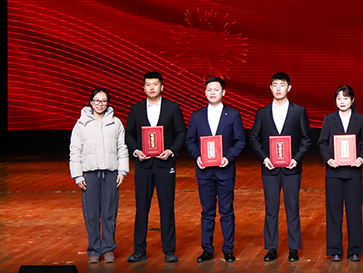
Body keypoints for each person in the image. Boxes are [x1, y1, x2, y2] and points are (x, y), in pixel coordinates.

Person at [125, 71, 187, 263]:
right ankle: (139, 250)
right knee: (141, 208)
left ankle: (169, 250)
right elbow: (129, 134)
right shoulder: (136, 109)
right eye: (148, 84)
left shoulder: (173, 107)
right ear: (143, 88)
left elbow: (181, 133)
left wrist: (171, 151)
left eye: (155, 84)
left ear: (162, 86)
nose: (151, 87)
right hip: (143, 165)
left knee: (166, 207)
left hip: (164, 164)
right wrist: (136, 151)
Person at [249, 72, 312, 262]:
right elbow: (254, 138)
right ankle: (271, 248)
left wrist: (297, 158)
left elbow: (306, 139)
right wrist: (264, 158)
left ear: (289, 88)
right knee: (271, 209)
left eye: (282, 85)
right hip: (270, 169)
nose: (278, 88)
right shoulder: (262, 113)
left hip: (292, 168)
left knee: (293, 208)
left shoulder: (298, 111)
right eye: (275, 85)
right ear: (270, 88)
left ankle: (294, 248)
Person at [185, 77, 245, 263]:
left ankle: (228, 249)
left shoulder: (233, 114)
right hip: (204, 171)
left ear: (223, 92)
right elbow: (190, 140)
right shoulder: (197, 116)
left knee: (226, 211)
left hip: (225, 171)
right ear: (205, 93)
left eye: (216, 89)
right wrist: (197, 156)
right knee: (207, 212)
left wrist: (228, 157)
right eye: (209, 89)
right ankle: (207, 249)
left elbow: (240, 141)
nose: (212, 92)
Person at [69, 88, 129, 264]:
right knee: (92, 214)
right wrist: (78, 175)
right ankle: (95, 250)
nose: (100, 104)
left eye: (103, 101)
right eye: (97, 101)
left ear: (107, 103)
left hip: (110, 174)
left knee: (109, 213)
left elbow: (122, 148)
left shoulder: (116, 123)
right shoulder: (81, 124)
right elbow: (75, 150)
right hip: (89, 175)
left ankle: (108, 248)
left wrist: (122, 171)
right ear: (91, 102)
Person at [318, 85, 363, 262]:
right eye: (339, 98)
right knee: (334, 211)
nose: (342, 101)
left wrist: (361, 157)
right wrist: (328, 159)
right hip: (333, 172)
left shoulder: (360, 119)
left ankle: (354, 250)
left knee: (354, 211)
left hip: (354, 172)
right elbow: (322, 142)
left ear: (352, 100)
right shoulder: (329, 119)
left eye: (346, 98)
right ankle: (335, 250)